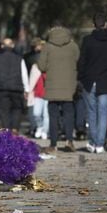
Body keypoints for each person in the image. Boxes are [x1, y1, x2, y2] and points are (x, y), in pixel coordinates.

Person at [78, 13, 107, 154]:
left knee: (91, 113)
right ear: (106, 24)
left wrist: (81, 78)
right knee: (103, 113)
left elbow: (82, 62)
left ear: (94, 25)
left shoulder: (87, 40)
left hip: (89, 81)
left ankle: (93, 142)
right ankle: (99, 144)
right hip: (106, 81)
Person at [37, 21, 80, 153]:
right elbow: (78, 61)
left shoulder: (48, 46)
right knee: (69, 114)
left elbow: (41, 66)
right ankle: (69, 141)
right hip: (69, 87)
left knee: (53, 116)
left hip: (52, 86)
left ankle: (53, 144)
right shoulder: (73, 45)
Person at [0, 38, 29, 133]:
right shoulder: (19, 58)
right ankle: (15, 128)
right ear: (12, 46)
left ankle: (6, 130)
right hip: (17, 88)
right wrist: (26, 89)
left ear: (2, 46)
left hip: (2, 88)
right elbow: (24, 74)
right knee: (17, 109)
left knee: (4, 111)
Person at [28, 63, 49, 140]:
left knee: (46, 115)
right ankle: (40, 126)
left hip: (48, 95)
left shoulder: (51, 67)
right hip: (37, 94)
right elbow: (31, 80)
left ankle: (45, 131)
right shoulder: (35, 67)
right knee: (36, 113)